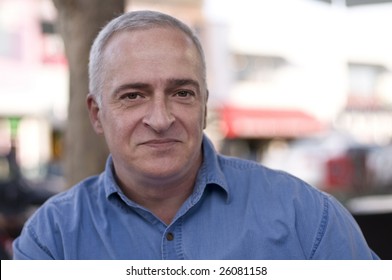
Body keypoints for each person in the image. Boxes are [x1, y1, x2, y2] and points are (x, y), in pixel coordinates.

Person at [13, 10, 379, 260]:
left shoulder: (306, 217)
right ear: (97, 114)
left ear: (204, 105)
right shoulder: (53, 238)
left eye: (181, 93)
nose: (160, 118)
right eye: (133, 96)